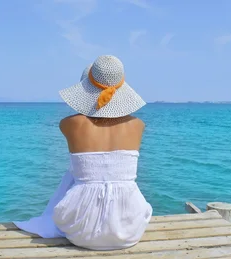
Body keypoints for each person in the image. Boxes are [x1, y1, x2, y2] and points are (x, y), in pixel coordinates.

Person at [14, 55, 152, 251]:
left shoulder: (69, 124)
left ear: (86, 90)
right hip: (128, 230)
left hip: (81, 230)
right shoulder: (138, 125)